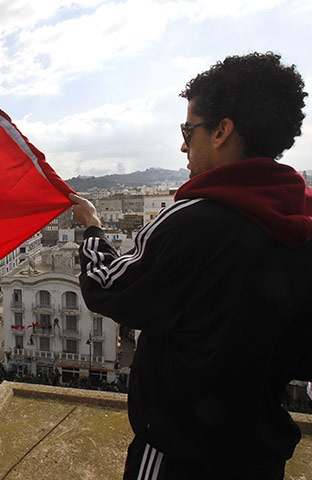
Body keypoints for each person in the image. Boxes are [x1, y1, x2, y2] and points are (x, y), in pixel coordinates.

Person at [71, 52, 312, 480]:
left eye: (188, 129)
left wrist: (91, 228)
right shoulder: (302, 219)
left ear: (222, 131)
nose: (183, 144)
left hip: (179, 451)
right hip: (258, 452)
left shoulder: (196, 221)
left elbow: (109, 288)